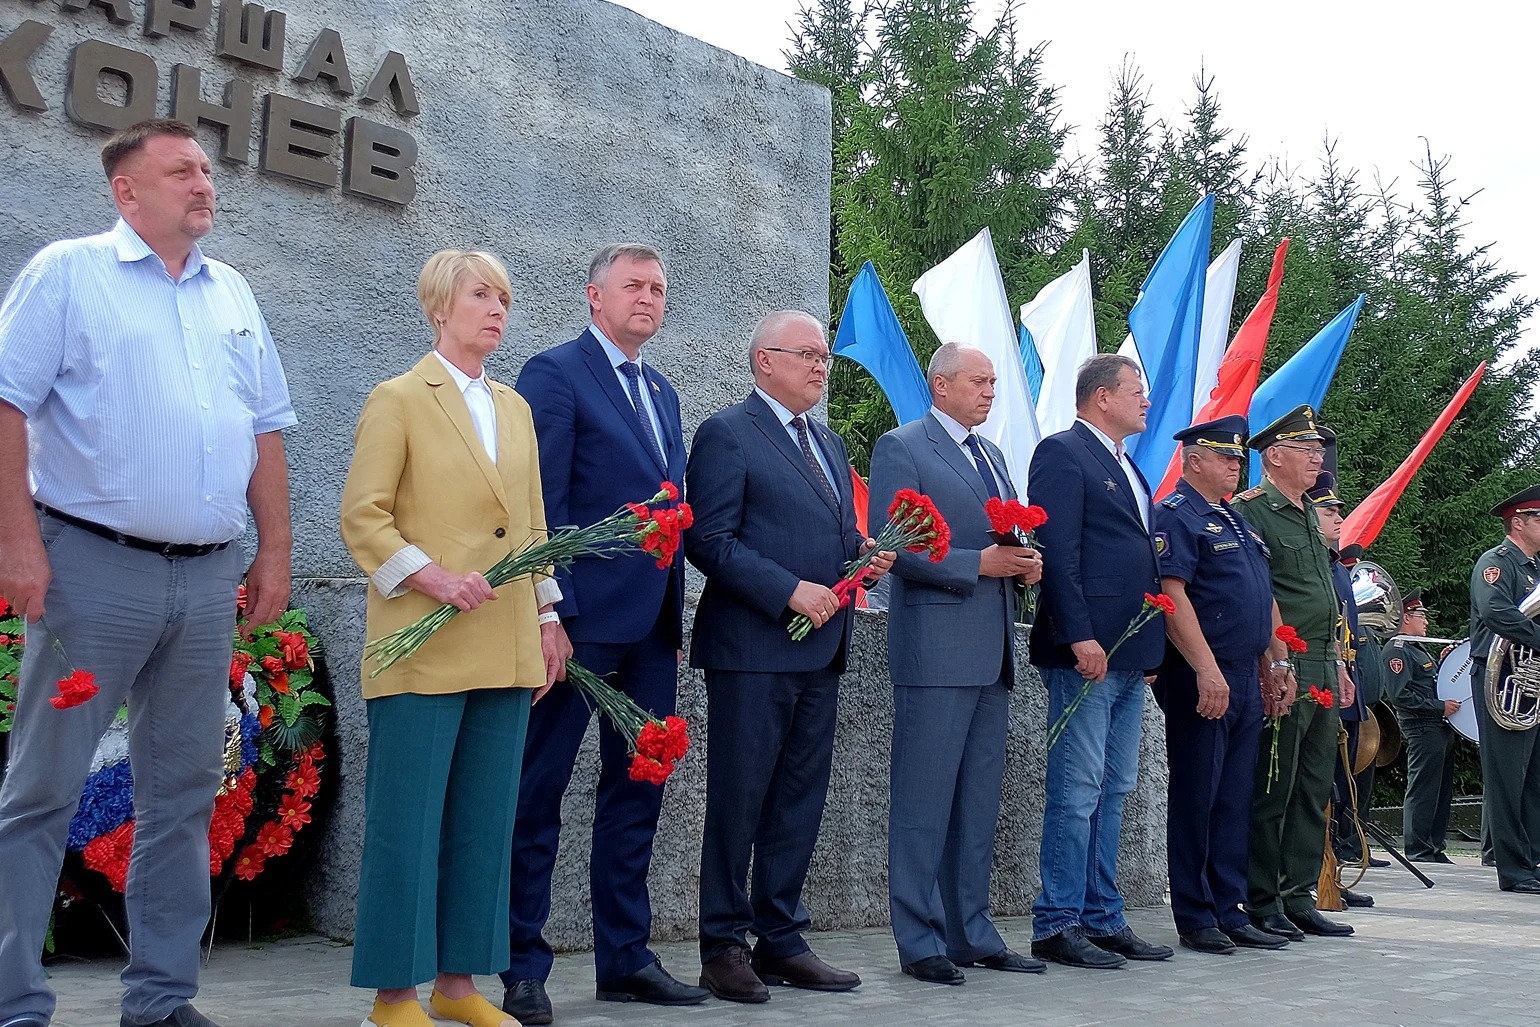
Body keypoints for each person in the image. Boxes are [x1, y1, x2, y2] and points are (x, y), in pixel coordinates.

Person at [0, 118, 295, 1027]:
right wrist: (17, 541)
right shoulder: (68, 273)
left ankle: (162, 999)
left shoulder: (233, 292)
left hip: (207, 583)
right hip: (92, 572)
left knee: (183, 793)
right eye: (180, 171)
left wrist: (274, 548)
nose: (203, 182)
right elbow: (8, 403)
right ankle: (14, 1001)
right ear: (126, 191)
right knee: (43, 786)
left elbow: (266, 428)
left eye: (206, 168)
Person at [340, 250, 565, 1027]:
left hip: (504, 642)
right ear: (440, 306)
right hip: (422, 641)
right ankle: (393, 995)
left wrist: (547, 616)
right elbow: (363, 517)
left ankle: (458, 984)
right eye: (481, 294)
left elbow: (533, 526)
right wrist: (432, 577)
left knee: (482, 822)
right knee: (407, 824)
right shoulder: (398, 398)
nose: (497, 308)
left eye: (504, 296)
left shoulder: (515, 407)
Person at [501, 244, 706, 1023]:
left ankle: (626, 957)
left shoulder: (663, 391)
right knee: (537, 793)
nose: (649, 298)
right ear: (595, 295)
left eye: (658, 287)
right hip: (577, 626)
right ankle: (521, 964)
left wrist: (674, 615)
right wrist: (549, 611)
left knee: (637, 791)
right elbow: (541, 501)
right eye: (634, 285)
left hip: (652, 629)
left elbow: (670, 513)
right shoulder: (555, 375)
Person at [683, 310, 895, 1003]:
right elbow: (709, 540)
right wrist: (788, 590)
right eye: (807, 353)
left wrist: (862, 558)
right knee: (740, 798)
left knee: (797, 800)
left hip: (820, 650)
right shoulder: (726, 433)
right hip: (751, 649)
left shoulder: (828, 443)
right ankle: (723, 944)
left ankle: (781, 936)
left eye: (825, 356)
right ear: (764, 360)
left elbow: (828, 533)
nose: (820, 365)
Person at [868, 343, 1045, 985]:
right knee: (923, 802)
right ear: (941, 386)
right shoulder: (903, 447)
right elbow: (893, 546)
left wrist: (1023, 561)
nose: (990, 391)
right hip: (935, 651)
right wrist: (978, 565)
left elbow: (1005, 536)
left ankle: (972, 929)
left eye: (995, 383)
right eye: (979, 381)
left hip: (992, 648)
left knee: (976, 803)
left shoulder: (991, 454)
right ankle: (919, 938)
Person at [1027, 353, 1171, 969]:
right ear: (1100, 397)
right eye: (1136, 391)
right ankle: (1057, 921)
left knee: (1114, 788)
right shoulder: (1062, 453)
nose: (1145, 400)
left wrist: (1148, 645)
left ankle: (1102, 916)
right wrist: (1080, 635)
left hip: (1129, 651)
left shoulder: (1127, 465)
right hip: (1087, 652)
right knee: (1078, 789)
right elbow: (1059, 553)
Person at [1150, 416, 1291, 955]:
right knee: (1198, 794)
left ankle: (1229, 908)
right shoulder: (1178, 516)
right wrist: (1207, 669)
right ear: (1193, 461)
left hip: (1248, 672)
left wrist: (1278, 661)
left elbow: (1262, 597)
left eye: (1238, 459)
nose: (1236, 464)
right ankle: (1195, 913)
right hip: (1202, 670)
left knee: (1234, 797)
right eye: (1225, 457)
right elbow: (1173, 594)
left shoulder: (1237, 522)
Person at [1233, 405, 1356, 941]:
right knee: (1274, 784)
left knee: (1312, 785)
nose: (1317, 459)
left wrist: (1339, 661)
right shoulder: (1252, 510)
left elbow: (1323, 594)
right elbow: (1263, 595)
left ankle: (1298, 893)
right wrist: (1275, 662)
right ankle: (1262, 897)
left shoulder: (1309, 510)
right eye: (1307, 451)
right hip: (1284, 662)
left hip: (1323, 663)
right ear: (1274, 457)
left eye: (1318, 450)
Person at [1467, 483, 1540, 893]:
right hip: (1501, 678)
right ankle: (1512, 868)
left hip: (1529, 678)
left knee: (1534, 775)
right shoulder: (1496, 563)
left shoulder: (1535, 567)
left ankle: (1532, 859)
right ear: (1519, 522)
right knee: (1507, 775)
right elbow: (1496, 612)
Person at [1305, 470, 1373, 907]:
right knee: (1318, 787)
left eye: (1338, 511)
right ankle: (1314, 874)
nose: (1338, 519)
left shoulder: (1336, 567)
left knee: (1339, 787)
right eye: (1328, 511)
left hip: (1343, 684)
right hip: (1319, 681)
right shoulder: (1317, 563)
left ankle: (1332, 872)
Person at [1384, 590, 1458, 864]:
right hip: (1422, 726)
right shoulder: (1397, 649)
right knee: (1424, 788)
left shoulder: (1417, 648)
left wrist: (1443, 661)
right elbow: (1400, 695)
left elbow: (1427, 684)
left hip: (1438, 727)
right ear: (1405, 618)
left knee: (1440, 790)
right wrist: (1440, 707)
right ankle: (1418, 848)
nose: (1425, 621)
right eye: (1420, 616)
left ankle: (1434, 846)